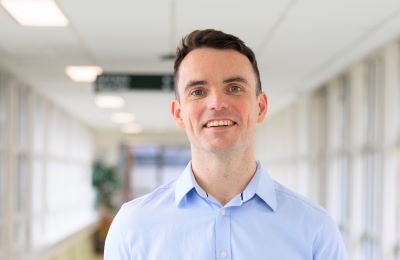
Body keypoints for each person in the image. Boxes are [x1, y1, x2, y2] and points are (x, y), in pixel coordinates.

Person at [104, 29, 347, 260]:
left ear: (260, 107)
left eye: (234, 88)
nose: (217, 103)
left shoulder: (314, 228)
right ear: (178, 113)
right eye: (198, 91)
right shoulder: (133, 225)